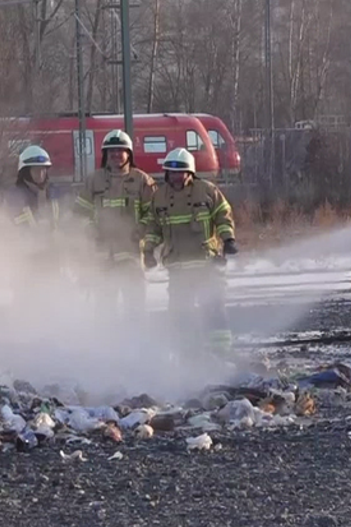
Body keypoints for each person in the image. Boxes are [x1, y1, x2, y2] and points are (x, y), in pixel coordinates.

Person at [140, 148, 238, 361]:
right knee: (180, 313)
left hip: (206, 264)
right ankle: (187, 354)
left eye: (180, 172)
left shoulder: (207, 191)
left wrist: (228, 239)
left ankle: (221, 353)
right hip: (178, 267)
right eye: (171, 172)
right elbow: (153, 227)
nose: (176, 176)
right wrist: (148, 250)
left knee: (213, 308)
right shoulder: (160, 197)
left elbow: (223, 215)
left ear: (190, 172)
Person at [75, 129, 157, 322]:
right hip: (102, 257)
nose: (115, 155)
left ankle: (135, 346)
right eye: (111, 151)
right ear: (105, 155)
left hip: (132, 255)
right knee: (104, 309)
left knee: (135, 308)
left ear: (129, 154)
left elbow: (154, 214)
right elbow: (79, 213)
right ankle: (107, 346)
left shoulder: (142, 181)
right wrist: (89, 228)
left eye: (120, 150)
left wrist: (141, 229)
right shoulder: (94, 180)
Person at [5, 145, 72, 309]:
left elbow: (66, 220)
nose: (40, 174)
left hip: (53, 257)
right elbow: (15, 225)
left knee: (55, 301)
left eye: (43, 170)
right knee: (28, 303)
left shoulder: (55, 193)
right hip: (28, 260)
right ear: (25, 172)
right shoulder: (15, 195)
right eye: (36, 171)